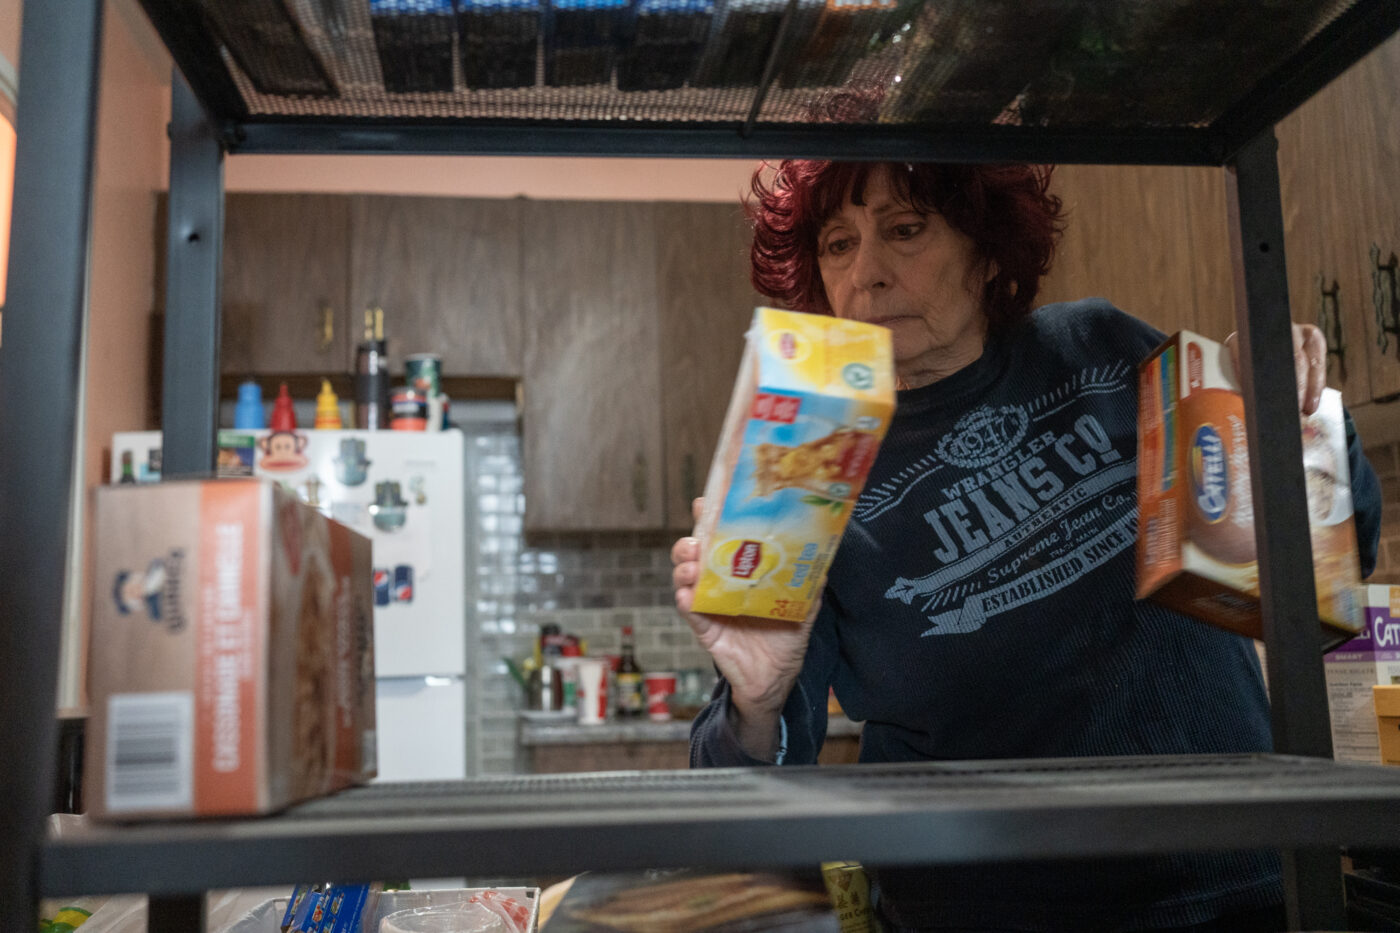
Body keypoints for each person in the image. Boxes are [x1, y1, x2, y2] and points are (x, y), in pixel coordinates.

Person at [670, 159, 1384, 932]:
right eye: (838, 245)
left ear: (985, 249)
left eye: (905, 230)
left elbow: (1319, 563)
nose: (866, 274)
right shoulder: (810, 462)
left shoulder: (1098, 348)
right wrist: (756, 698)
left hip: (1237, 880)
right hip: (988, 913)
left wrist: (1285, 418)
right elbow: (738, 792)